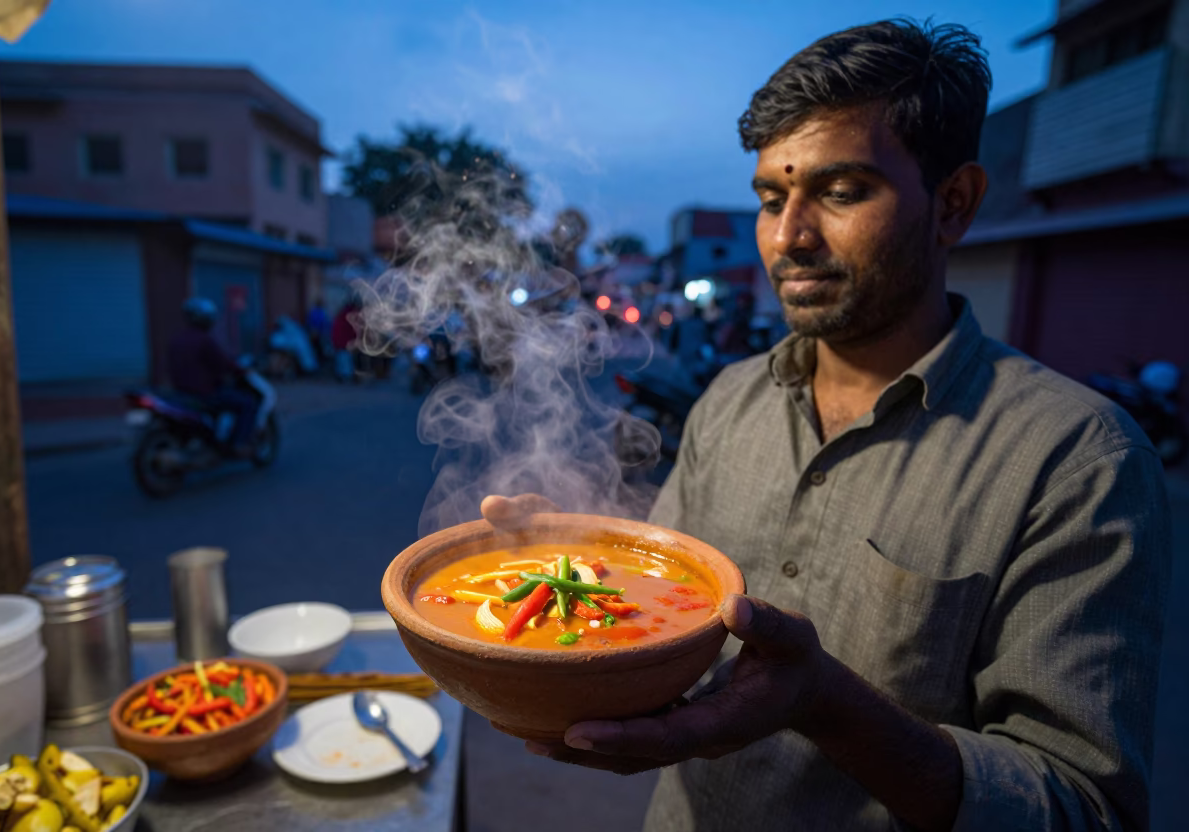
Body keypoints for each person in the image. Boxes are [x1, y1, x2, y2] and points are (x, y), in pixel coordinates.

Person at [482, 18, 1170, 832]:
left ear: (954, 204)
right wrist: (567, 580)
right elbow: (666, 634)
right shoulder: (727, 401)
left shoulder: (1075, 459)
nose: (790, 237)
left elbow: (1085, 810)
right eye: (773, 199)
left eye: (841, 192)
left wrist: (826, 704)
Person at [166, 297, 259, 455]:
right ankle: (239, 443)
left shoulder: (176, 340)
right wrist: (241, 370)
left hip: (181, 393)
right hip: (204, 394)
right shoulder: (204, 340)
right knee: (247, 403)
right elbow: (223, 364)